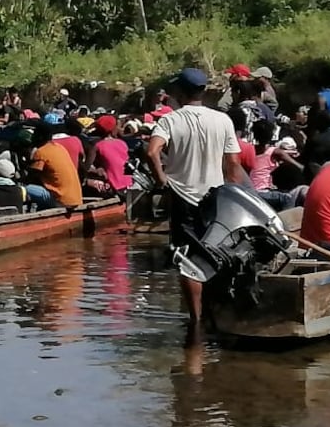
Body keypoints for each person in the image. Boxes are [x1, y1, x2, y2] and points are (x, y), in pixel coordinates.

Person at [145, 67, 244, 328]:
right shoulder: (222, 120)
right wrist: (232, 193)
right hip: (215, 199)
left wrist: (162, 181)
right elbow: (233, 161)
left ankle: (196, 320)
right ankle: (218, 311)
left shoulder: (169, 121)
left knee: (187, 258)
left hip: (183, 198)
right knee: (215, 251)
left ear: (179, 92)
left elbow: (152, 152)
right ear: (203, 91)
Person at [25, 123, 83, 211]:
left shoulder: (41, 152)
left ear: (40, 136)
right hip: (76, 198)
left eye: (34, 135)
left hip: (61, 200)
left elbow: (32, 176)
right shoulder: (60, 148)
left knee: (26, 189)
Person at [85, 114, 132, 197]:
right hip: (129, 184)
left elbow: (87, 168)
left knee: (85, 181)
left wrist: (97, 170)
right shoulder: (123, 143)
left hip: (113, 187)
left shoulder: (97, 146)